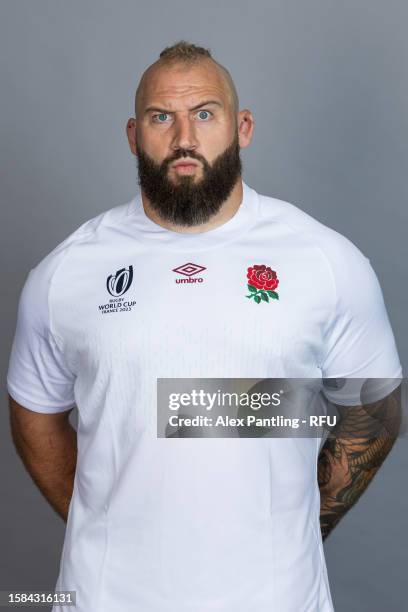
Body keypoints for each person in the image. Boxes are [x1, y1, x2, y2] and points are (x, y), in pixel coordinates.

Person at [7, 40, 402, 612]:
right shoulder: (65, 273)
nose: (183, 138)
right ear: (133, 134)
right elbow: (34, 414)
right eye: (161, 116)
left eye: (205, 114)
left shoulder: (325, 261)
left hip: (275, 597)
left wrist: (300, 522)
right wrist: (106, 518)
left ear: (242, 127)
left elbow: (374, 404)